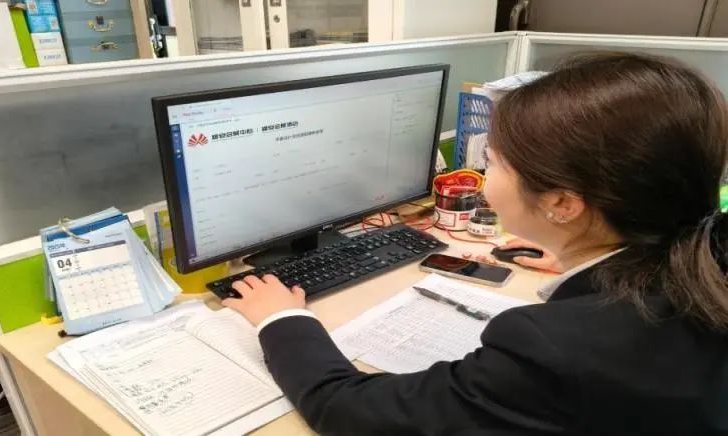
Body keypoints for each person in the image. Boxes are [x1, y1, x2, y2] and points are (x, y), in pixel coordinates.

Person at [222, 53, 728, 435]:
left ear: (563, 203)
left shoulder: (556, 348)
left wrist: (281, 319)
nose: (483, 177)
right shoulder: (710, 249)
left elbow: (349, 411)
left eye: (493, 161)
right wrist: (583, 258)